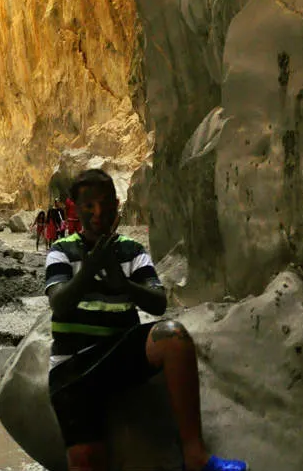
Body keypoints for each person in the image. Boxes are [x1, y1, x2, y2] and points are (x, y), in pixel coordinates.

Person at [44, 168, 247, 471]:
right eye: (89, 206)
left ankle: (195, 457)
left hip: (118, 354)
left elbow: (158, 303)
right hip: (73, 368)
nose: (98, 213)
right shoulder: (61, 251)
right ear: (76, 208)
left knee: (173, 337)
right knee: (87, 460)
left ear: (116, 205)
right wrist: (89, 269)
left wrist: (122, 284)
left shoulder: (131, 251)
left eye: (105, 204)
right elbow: (59, 303)